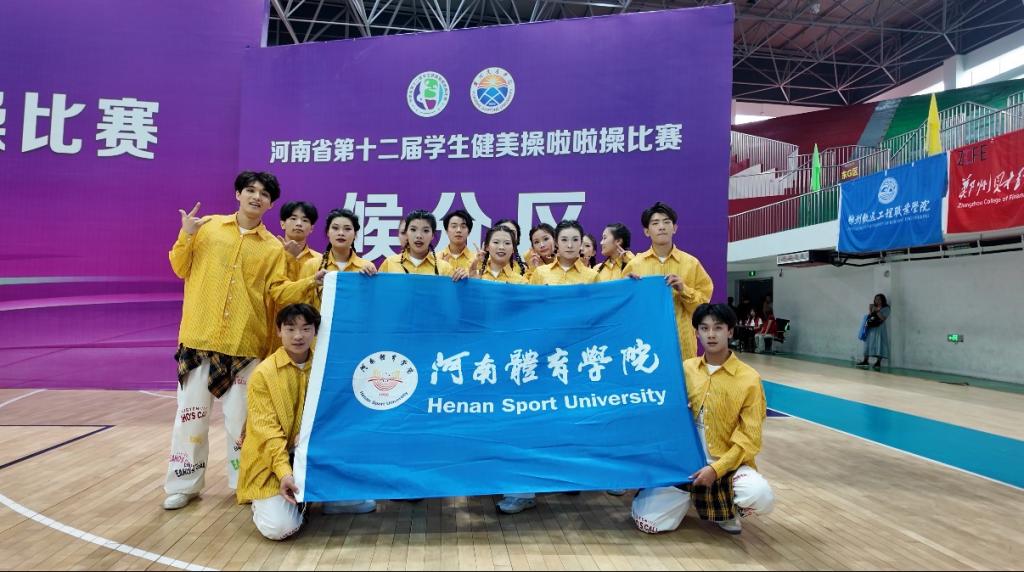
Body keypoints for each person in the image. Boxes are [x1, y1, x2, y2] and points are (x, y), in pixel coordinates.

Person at [164, 171, 295, 510]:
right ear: (238, 193)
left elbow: (278, 293)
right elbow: (179, 267)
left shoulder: (273, 248)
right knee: (190, 418)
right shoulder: (206, 228)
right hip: (198, 341)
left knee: (242, 424)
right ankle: (184, 484)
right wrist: (186, 234)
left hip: (244, 346)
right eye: (250, 190)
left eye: (264, 194)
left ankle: (244, 483)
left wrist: (311, 282)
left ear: (271, 204)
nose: (256, 197)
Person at [632, 304, 774, 535]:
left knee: (760, 495)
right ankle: (687, 499)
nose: (711, 334)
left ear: (730, 331)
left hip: (725, 465)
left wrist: (716, 469)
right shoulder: (685, 369)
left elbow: (750, 439)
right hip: (683, 463)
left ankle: (727, 511)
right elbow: (662, 411)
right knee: (647, 523)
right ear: (696, 333)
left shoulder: (749, 379)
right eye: (704, 328)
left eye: (718, 328)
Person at [237, 304, 375, 541]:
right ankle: (281, 501)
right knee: (280, 529)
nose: (298, 336)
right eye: (290, 329)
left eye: (306, 328)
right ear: (279, 331)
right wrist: (284, 473)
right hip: (272, 460)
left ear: (316, 331)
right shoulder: (263, 374)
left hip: (313, 453)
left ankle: (327, 498)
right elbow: (267, 432)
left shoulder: (326, 367)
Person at [624, 202, 713, 362]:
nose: (661, 227)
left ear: (674, 228)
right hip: (645, 346)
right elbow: (624, 310)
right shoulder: (635, 265)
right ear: (646, 231)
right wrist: (627, 289)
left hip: (682, 346)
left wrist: (684, 290)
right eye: (655, 223)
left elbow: (703, 309)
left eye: (666, 222)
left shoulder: (691, 264)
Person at [267, 201, 321, 353]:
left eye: (305, 220)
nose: (299, 223)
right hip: (270, 329)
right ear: (282, 224)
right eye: (293, 218)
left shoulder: (319, 261)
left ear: (312, 228)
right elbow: (277, 293)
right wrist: (288, 257)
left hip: (306, 336)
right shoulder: (270, 254)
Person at [379, 210, 468, 280]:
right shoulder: (390, 263)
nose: (419, 236)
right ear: (406, 233)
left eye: (425, 231)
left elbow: (452, 296)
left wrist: (464, 279)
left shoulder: (444, 268)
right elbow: (378, 292)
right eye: (413, 230)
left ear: (432, 235)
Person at [529, 220, 599, 285]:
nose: (570, 245)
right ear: (556, 243)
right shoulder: (540, 273)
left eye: (575, 240)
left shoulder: (592, 276)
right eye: (564, 240)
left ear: (581, 243)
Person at [857, 294, 891, 371]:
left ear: (883, 300)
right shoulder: (873, 306)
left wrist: (877, 310)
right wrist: (870, 309)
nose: (877, 301)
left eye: (879, 299)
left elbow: (883, 318)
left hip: (879, 328)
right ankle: (865, 360)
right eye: (876, 299)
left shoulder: (886, 308)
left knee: (880, 343)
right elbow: (870, 316)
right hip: (871, 328)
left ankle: (878, 362)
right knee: (868, 343)